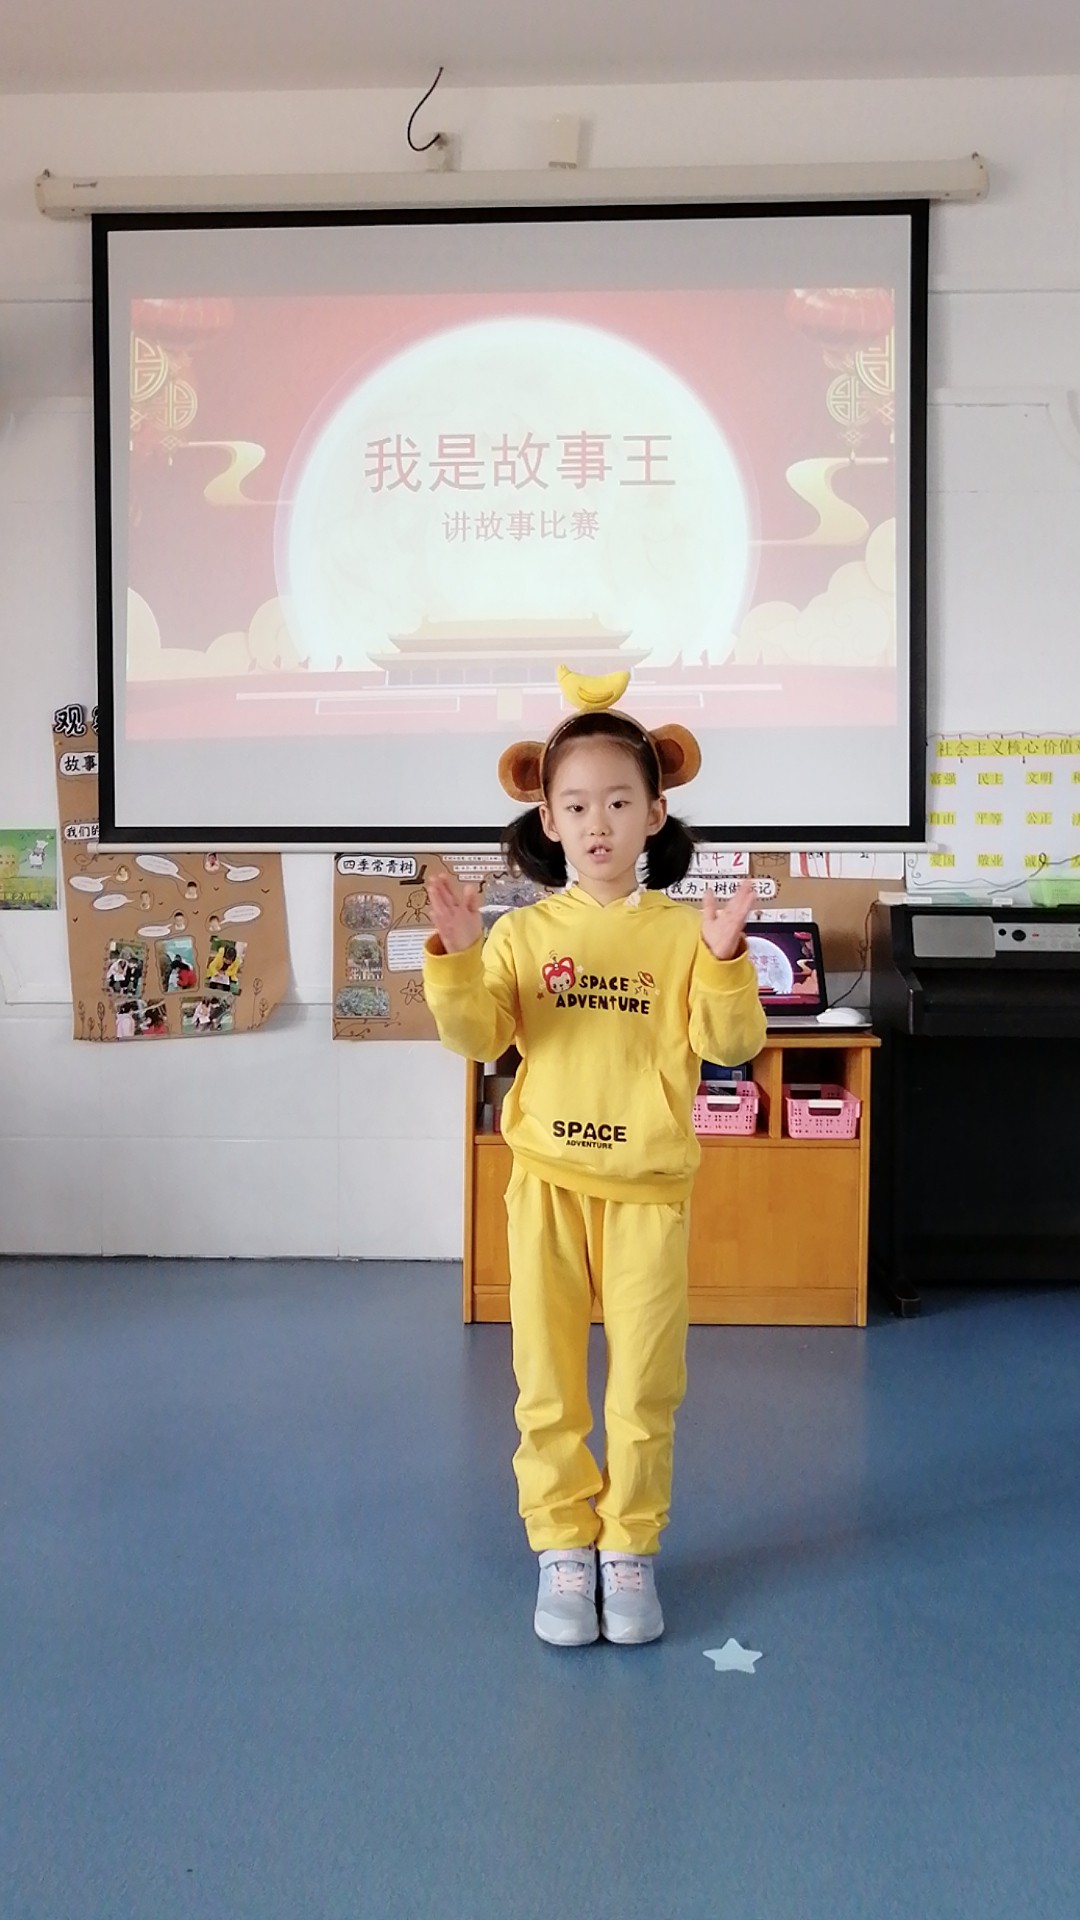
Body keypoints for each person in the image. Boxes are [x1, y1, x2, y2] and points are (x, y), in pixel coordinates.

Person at [423, 671, 765, 1650]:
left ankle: (630, 1548)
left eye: (619, 802)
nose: (598, 823)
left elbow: (732, 1043)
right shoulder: (525, 935)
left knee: (646, 1384)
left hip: (649, 1194)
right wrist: (459, 953)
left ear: (655, 812)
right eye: (576, 806)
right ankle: (563, 1548)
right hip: (547, 1187)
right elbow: (478, 1033)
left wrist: (726, 959)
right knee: (546, 1382)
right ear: (548, 818)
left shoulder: (683, 934)